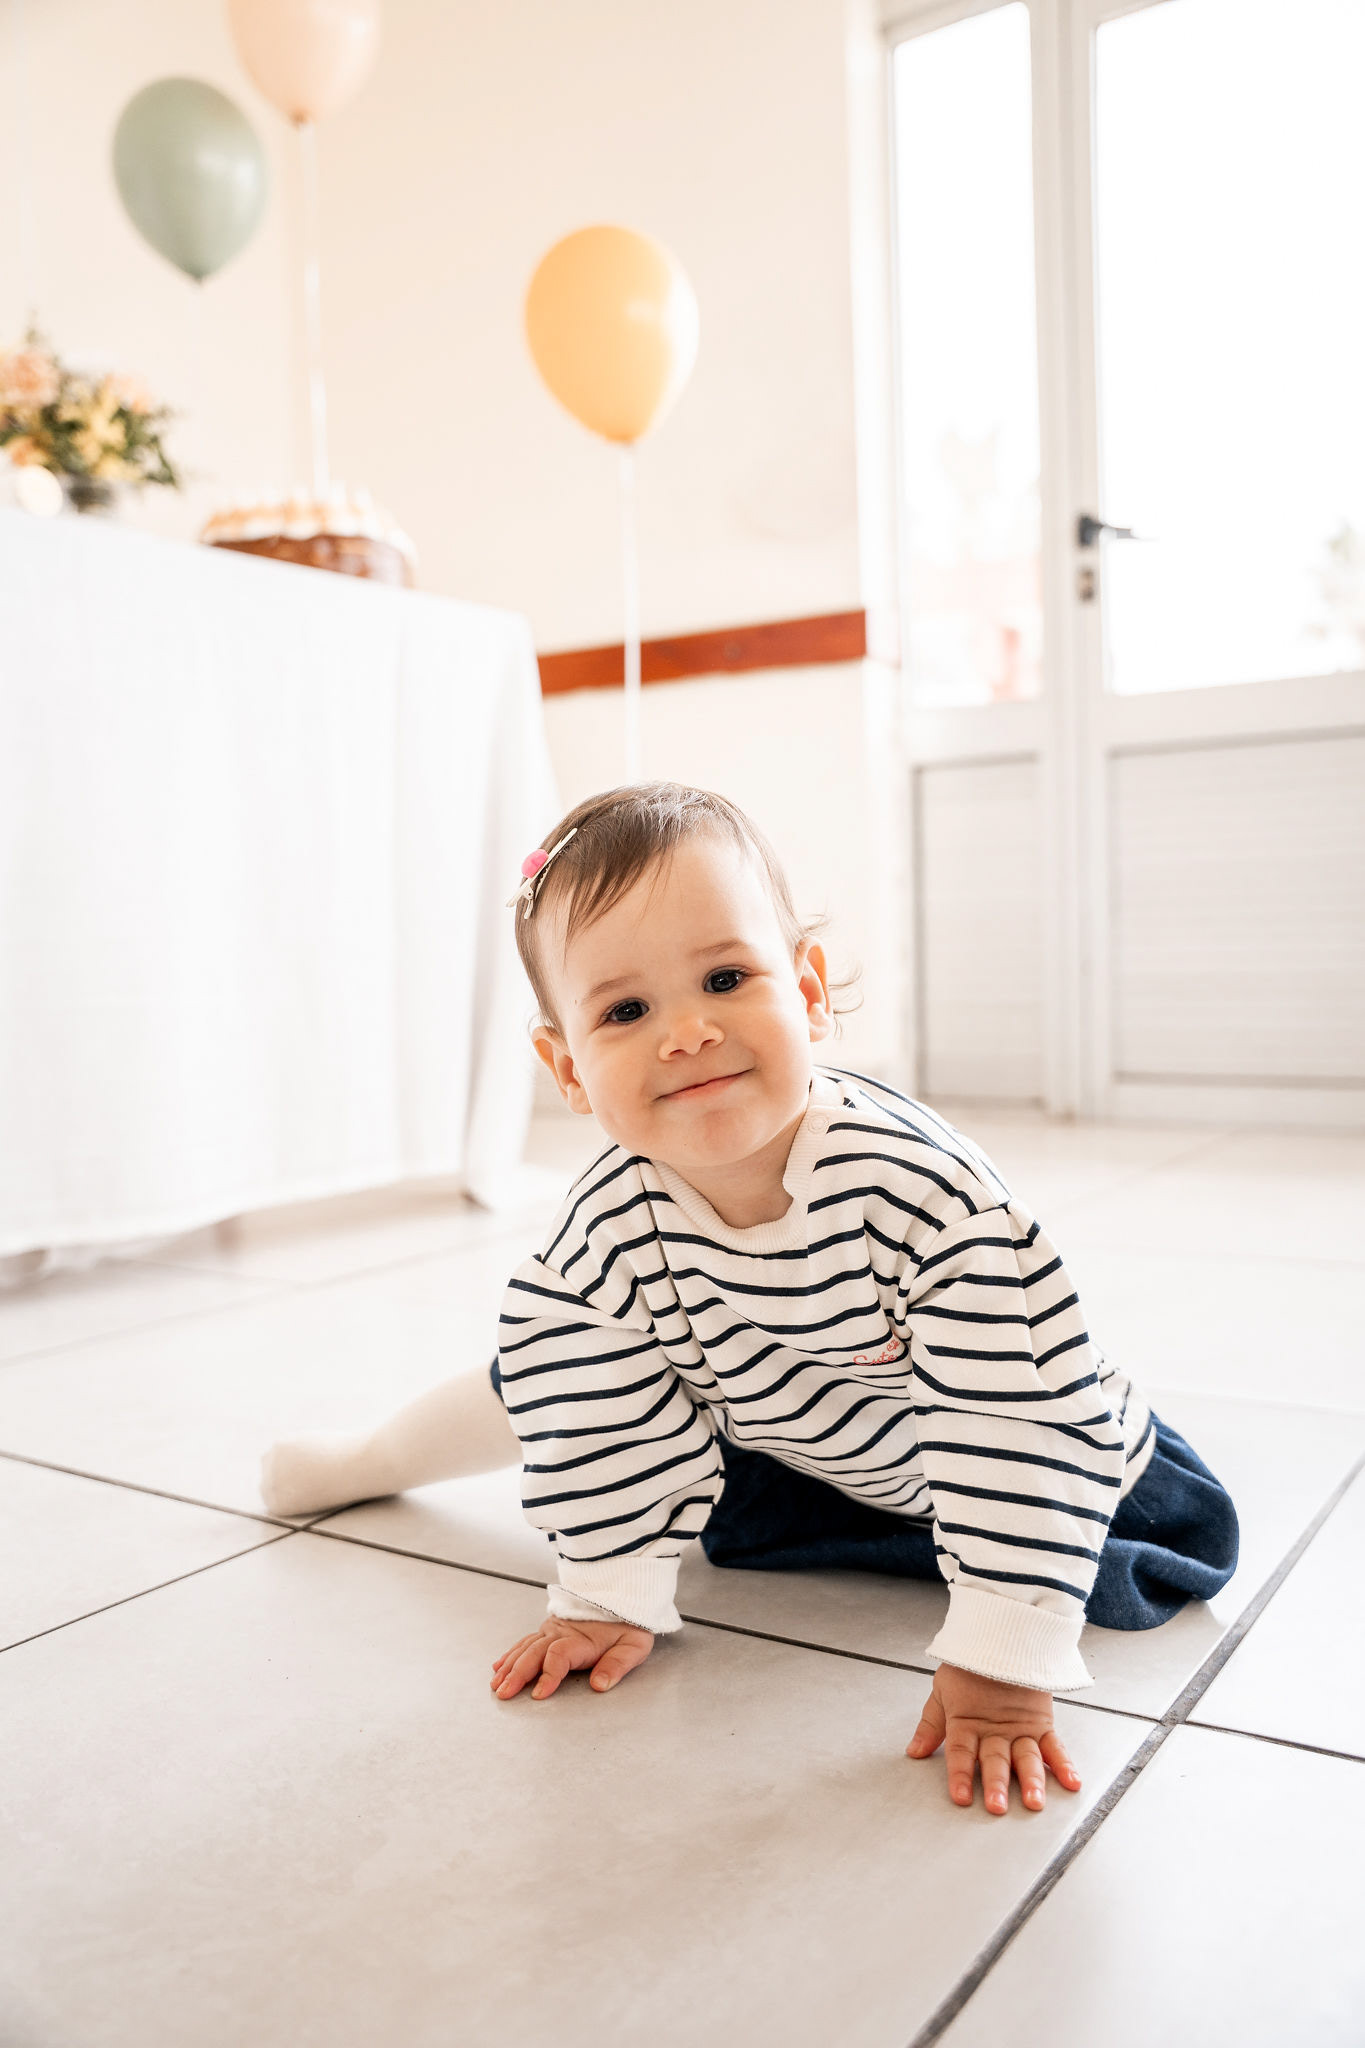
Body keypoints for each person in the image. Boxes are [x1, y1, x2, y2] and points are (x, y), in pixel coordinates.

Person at [261, 782, 1238, 1818]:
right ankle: (373, 1459)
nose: (685, 1032)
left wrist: (1003, 1656)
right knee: (555, 1359)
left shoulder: (923, 1194)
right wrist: (605, 1591)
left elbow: (1017, 1412)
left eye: (725, 977)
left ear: (808, 991)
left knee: (1028, 1489)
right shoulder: (605, 1218)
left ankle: (1003, 1576)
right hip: (802, 1443)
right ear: (569, 1067)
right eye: (626, 1010)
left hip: (1015, 1463)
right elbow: (584, 1391)